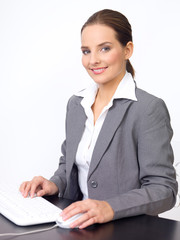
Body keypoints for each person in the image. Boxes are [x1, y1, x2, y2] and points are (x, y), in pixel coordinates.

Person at [20, 9, 178, 229]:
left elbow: (164, 190)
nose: (93, 60)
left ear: (127, 50)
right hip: (78, 226)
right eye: (86, 51)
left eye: (105, 48)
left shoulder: (148, 109)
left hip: (127, 230)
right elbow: (70, 164)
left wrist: (109, 207)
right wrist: (53, 184)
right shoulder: (76, 104)